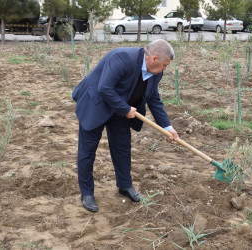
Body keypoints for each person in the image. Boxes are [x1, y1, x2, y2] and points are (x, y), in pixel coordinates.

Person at [72, 39, 179, 212]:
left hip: (121, 109)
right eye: (164, 64)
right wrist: (125, 108)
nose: (165, 68)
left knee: (122, 147)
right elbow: (104, 88)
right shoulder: (122, 58)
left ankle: (125, 186)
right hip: (96, 103)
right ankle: (87, 193)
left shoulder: (157, 72)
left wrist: (167, 127)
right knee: (87, 150)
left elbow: (153, 98)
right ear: (154, 58)